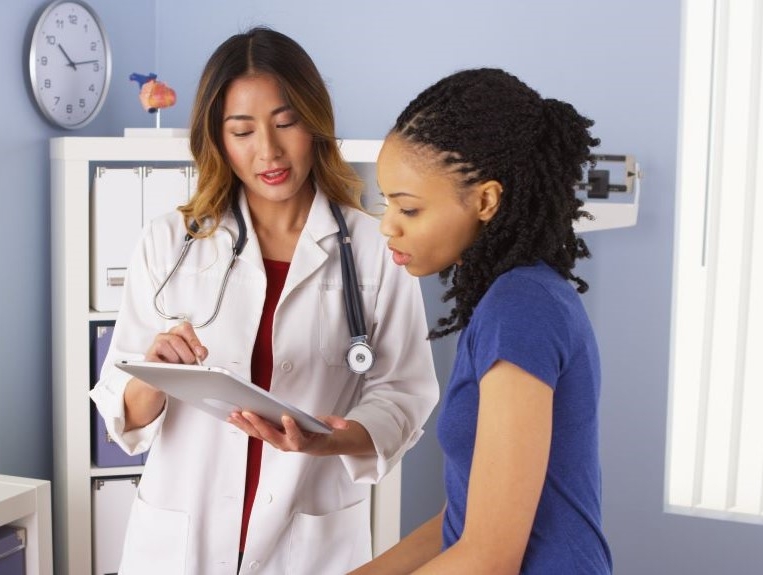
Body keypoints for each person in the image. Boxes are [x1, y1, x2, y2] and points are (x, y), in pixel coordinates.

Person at [89, 27, 438, 575]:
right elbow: (122, 411)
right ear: (218, 138)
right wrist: (152, 376)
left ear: (314, 123)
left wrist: (333, 441)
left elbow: (405, 391)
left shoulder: (373, 248)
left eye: (286, 122)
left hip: (310, 543)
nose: (268, 151)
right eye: (243, 130)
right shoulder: (168, 242)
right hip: (183, 543)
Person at [350, 68, 613, 574]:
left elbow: (489, 558)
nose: (387, 225)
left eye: (408, 208)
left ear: (486, 200)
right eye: (387, 203)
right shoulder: (509, 299)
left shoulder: (522, 306)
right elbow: (465, 521)